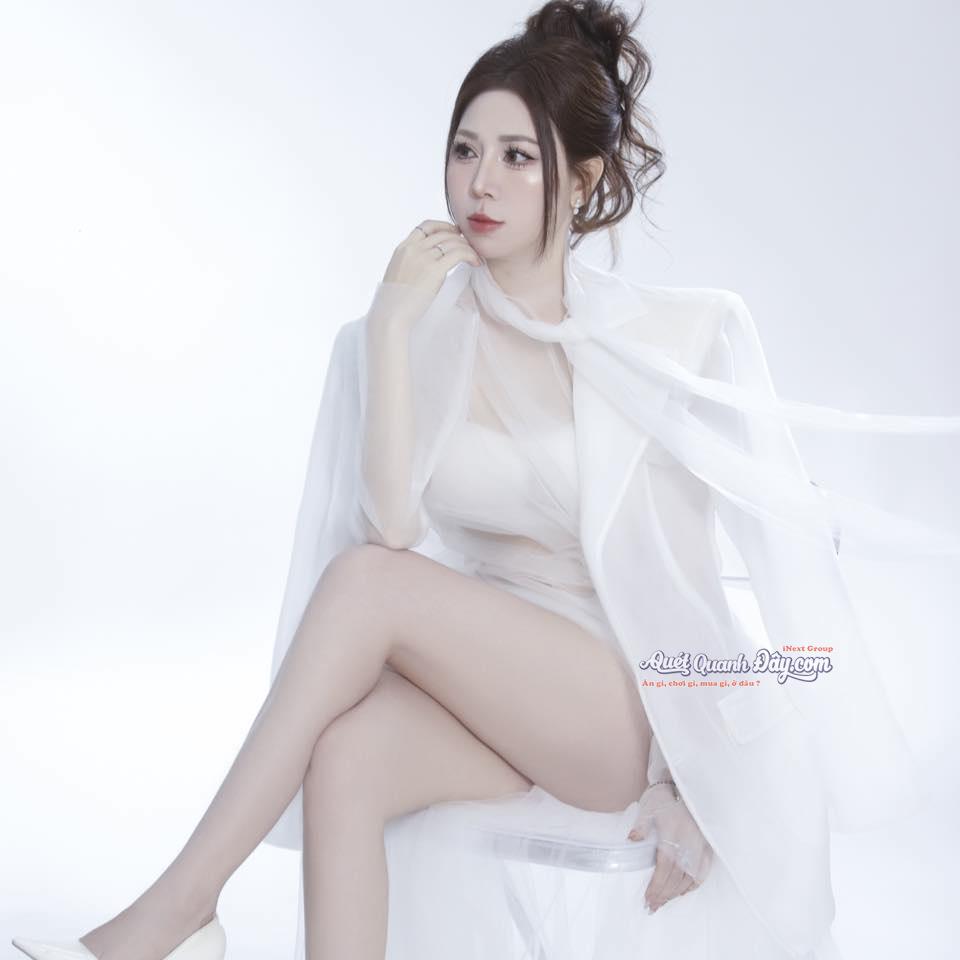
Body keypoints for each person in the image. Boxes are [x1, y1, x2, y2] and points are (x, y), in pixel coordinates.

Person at [14, 2, 959, 960]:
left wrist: (698, 781)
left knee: (370, 588)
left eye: (518, 157)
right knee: (347, 757)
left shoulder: (666, 342)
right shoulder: (415, 336)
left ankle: (177, 912)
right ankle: (193, 919)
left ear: (582, 182)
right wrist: (392, 326)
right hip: (484, 687)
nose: (480, 181)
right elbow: (389, 526)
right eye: (465, 150)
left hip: (614, 710)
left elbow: (699, 589)